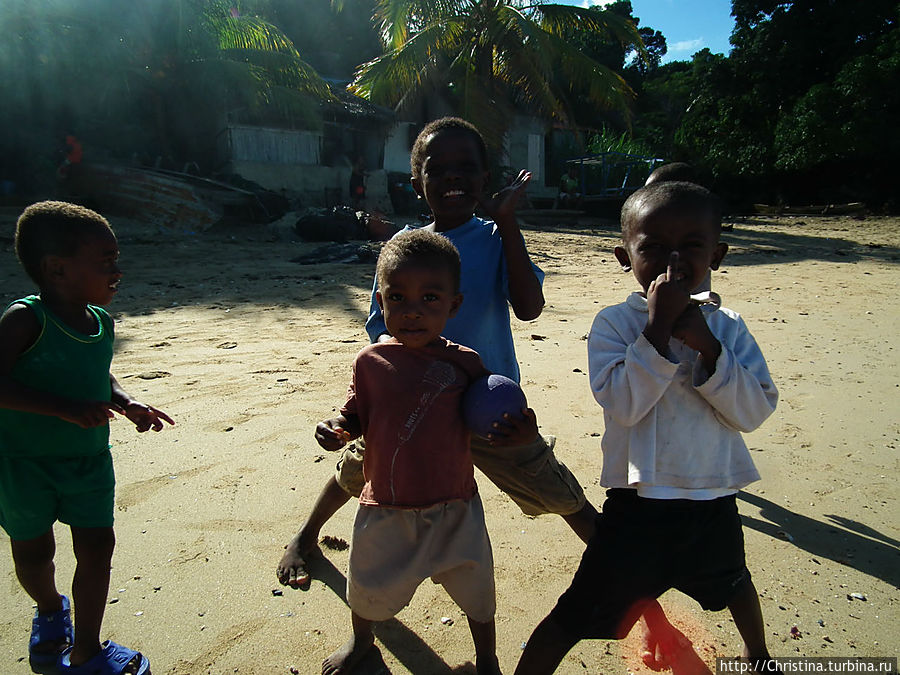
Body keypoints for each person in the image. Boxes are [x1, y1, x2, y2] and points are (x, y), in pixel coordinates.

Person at [278, 116, 682, 659]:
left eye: (466, 168)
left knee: (562, 495)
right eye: (436, 169)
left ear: (485, 175)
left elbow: (529, 306)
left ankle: (644, 607)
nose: (452, 178)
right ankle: (306, 536)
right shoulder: (401, 247)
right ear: (416, 179)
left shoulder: (495, 236)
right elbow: (380, 330)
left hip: (490, 411)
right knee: (358, 470)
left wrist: (508, 222)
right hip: (411, 409)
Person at [514, 181, 780, 674]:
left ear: (716, 254)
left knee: (734, 581)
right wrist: (656, 331)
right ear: (624, 255)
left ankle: (758, 656)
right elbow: (623, 403)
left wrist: (709, 349)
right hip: (637, 508)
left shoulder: (728, 327)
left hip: (711, 499)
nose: (672, 260)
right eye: (653, 247)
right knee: (574, 615)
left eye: (691, 246)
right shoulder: (616, 323)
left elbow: (754, 411)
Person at [317, 228, 502, 674]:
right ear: (380, 302)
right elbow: (355, 415)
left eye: (430, 299)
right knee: (366, 588)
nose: (412, 312)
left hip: (456, 507)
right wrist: (338, 429)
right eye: (397, 298)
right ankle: (362, 642)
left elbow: (488, 416)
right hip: (387, 506)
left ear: (454, 305)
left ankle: (487, 659)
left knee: (478, 593)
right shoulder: (369, 362)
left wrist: (512, 428)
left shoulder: (467, 364)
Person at [0, 201, 174, 674]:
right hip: (24, 464)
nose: (117, 272)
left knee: (97, 549)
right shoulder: (25, 320)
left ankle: (88, 649)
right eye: (105, 263)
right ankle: (51, 611)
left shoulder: (101, 321)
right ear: (57, 269)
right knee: (34, 553)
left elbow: (101, 374)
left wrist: (126, 401)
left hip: (89, 461)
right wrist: (65, 410)